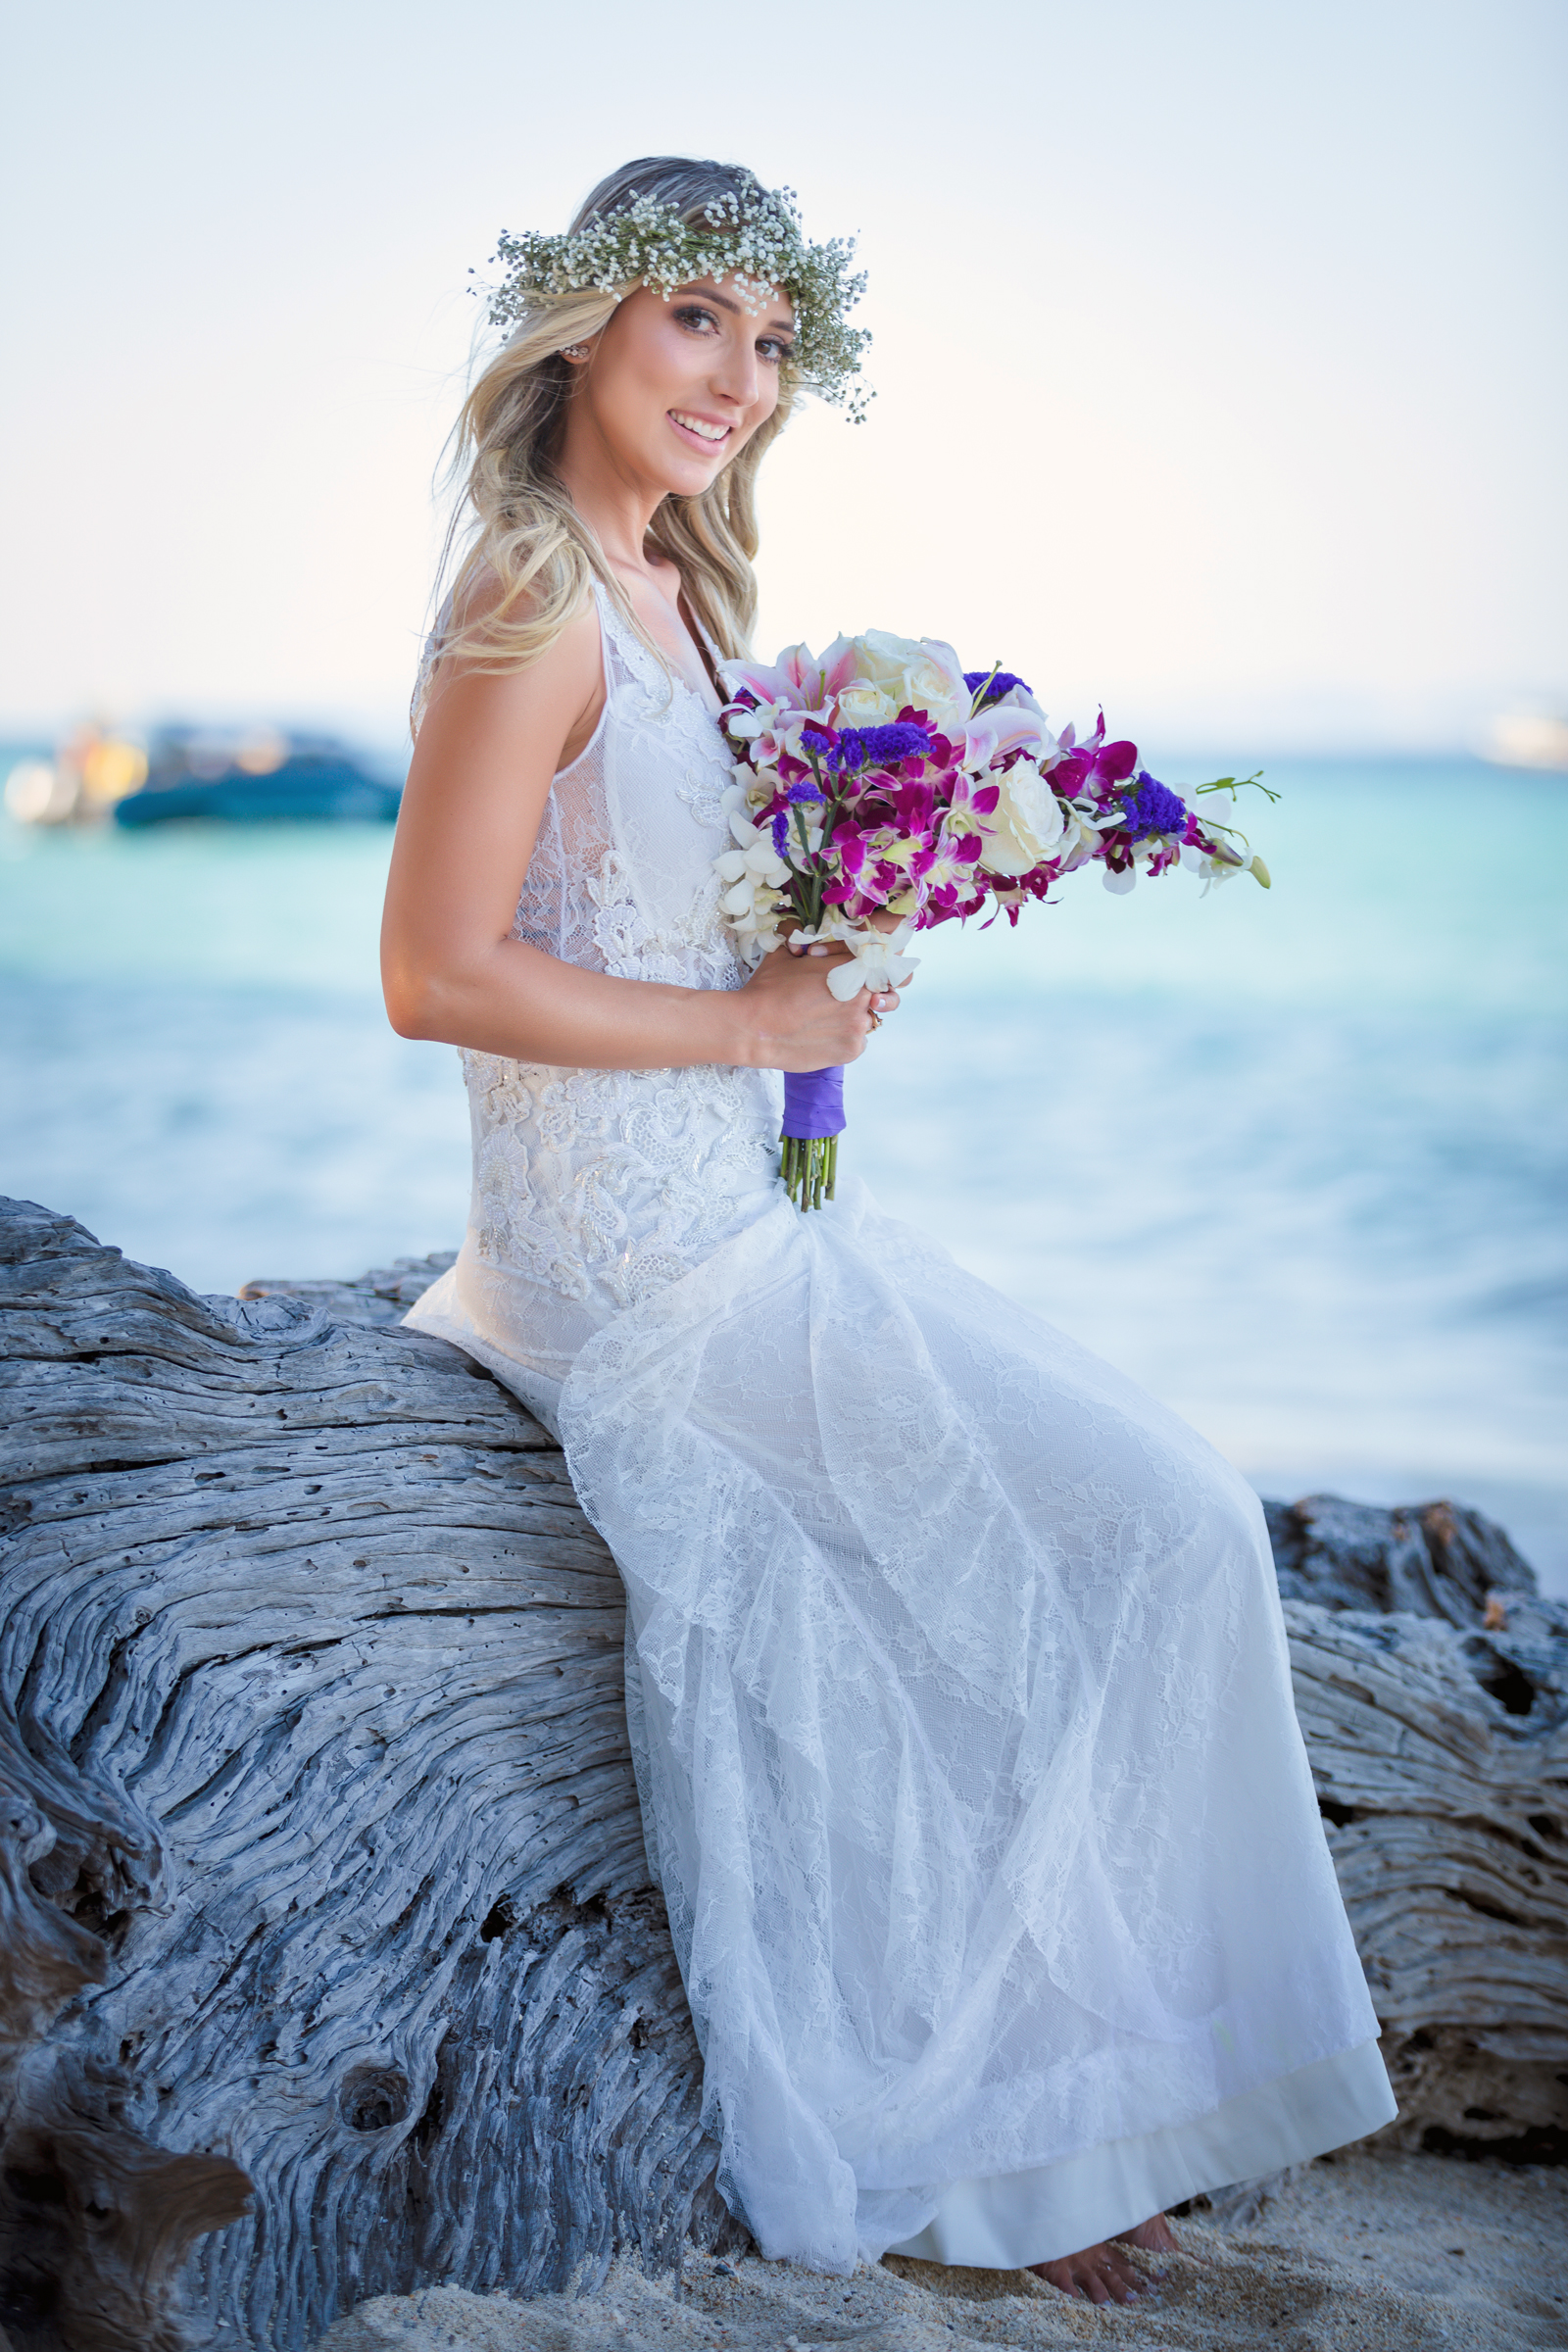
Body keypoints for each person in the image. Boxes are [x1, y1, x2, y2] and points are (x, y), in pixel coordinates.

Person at [380, 156, 1395, 2306]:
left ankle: (1098, 2107)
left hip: (743, 1214)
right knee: (1141, 1532)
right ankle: (1017, 2146)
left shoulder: (681, 601)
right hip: (618, 1272)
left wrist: (813, 993)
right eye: (695, 324)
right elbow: (438, 971)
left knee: (1156, 1529)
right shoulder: (526, 592)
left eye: (771, 344)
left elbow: (670, 925)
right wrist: (748, 1016)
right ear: (578, 326)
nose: (739, 380)